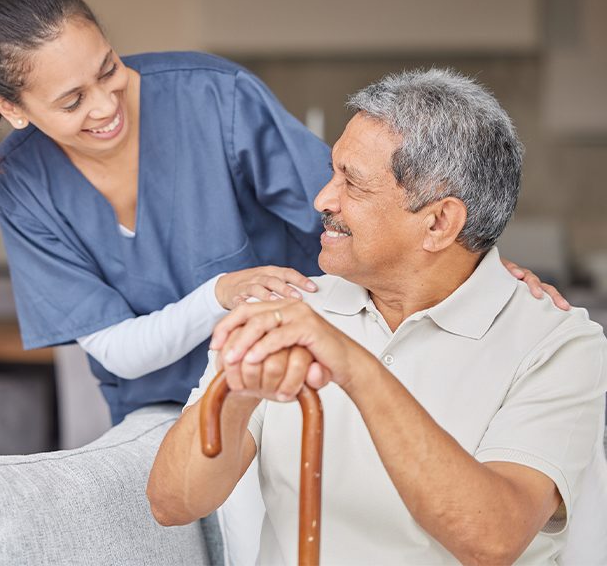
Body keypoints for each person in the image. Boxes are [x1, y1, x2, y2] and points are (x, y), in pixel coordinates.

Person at [0, 0, 565, 426]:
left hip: (302, 374)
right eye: (72, 100)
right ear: (10, 109)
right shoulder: (23, 185)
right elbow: (116, 351)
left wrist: (485, 277)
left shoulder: (213, 99)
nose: (108, 105)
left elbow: (362, 215)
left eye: (108, 68)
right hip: (161, 411)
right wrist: (221, 292)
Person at [148, 69, 607, 564]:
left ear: (438, 222)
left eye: (354, 184)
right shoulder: (283, 310)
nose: (323, 199)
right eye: (332, 172)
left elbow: (492, 539)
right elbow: (172, 503)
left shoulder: (557, 343)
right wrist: (237, 395)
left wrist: (353, 365)